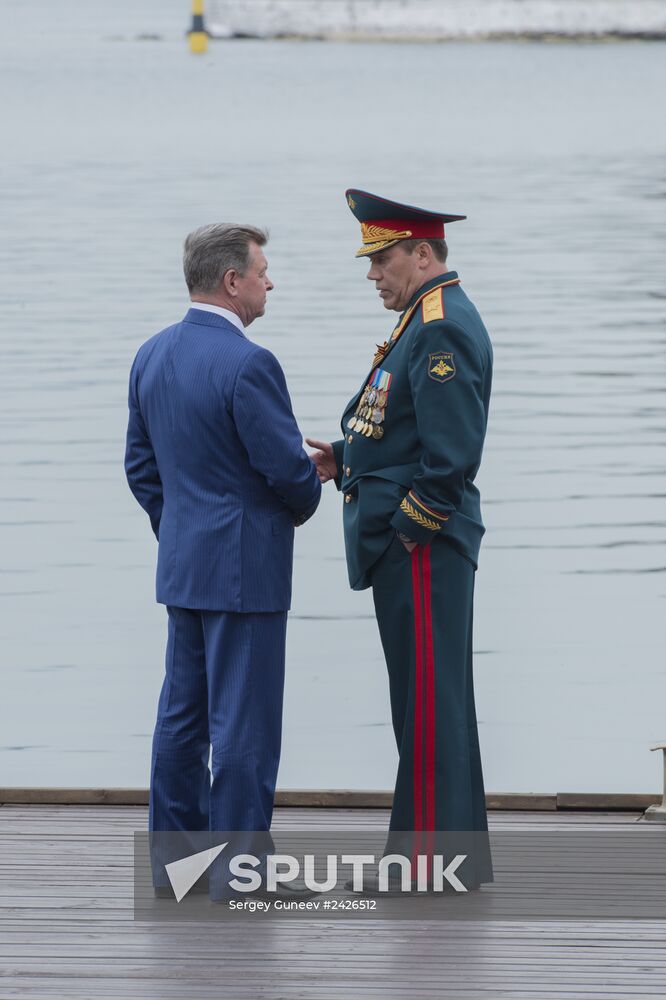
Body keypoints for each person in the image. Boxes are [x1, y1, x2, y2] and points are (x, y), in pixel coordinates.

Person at [125, 224, 321, 893]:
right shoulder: (249, 364)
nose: (271, 282)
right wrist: (311, 482)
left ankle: (175, 869)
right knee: (245, 728)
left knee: (181, 721)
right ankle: (242, 875)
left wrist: (181, 529)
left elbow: (140, 467)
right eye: (263, 272)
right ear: (233, 281)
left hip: (185, 566)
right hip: (246, 573)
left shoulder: (151, 354)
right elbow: (285, 472)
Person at [307, 189, 494, 892]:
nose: (372, 274)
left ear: (421, 254)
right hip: (417, 543)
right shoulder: (423, 317)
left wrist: (408, 531)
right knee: (430, 700)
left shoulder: (439, 328)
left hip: (423, 546)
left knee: (428, 704)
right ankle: (448, 859)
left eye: (381, 259)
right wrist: (345, 460)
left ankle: (424, 865)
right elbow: (404, 427)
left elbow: (450, 457)